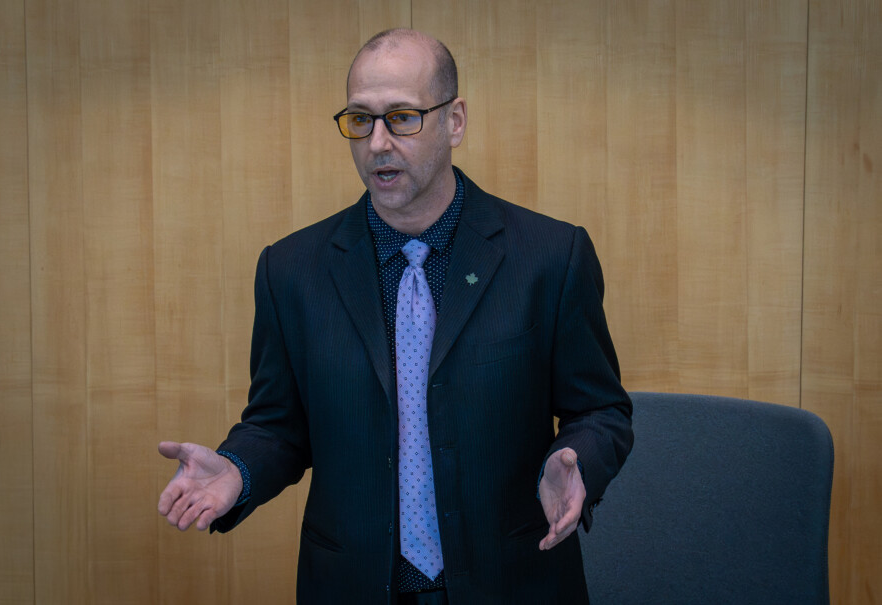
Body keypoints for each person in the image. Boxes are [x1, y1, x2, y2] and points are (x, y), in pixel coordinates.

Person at [158, 28, 633, 605]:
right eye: (360, 120)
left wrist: (579, 460)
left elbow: (600, 409)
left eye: (402, 118)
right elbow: (278, 425)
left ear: (454, 121)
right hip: (354, 585)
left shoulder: (550, 257)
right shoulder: (292, 270)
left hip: (512, 581)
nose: (377, 142)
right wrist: (238, 470)